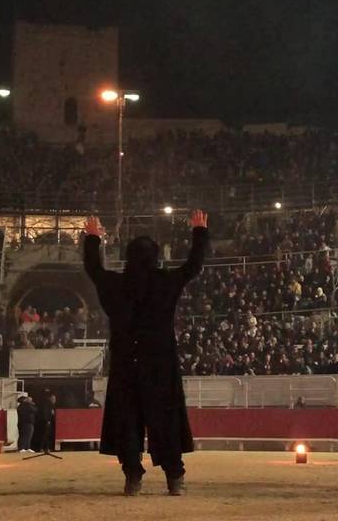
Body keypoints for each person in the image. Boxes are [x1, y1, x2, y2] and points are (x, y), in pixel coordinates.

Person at [83, 210, 209, 496]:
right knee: (165, 419)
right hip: (160, 363)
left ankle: (132, 477)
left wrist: (92, 238)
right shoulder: (166, 282)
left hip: (127, 362)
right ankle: (174, 477)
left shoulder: (115, 285)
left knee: (127, 421)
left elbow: (93, 269)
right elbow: (193, 266)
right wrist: (199, 232)